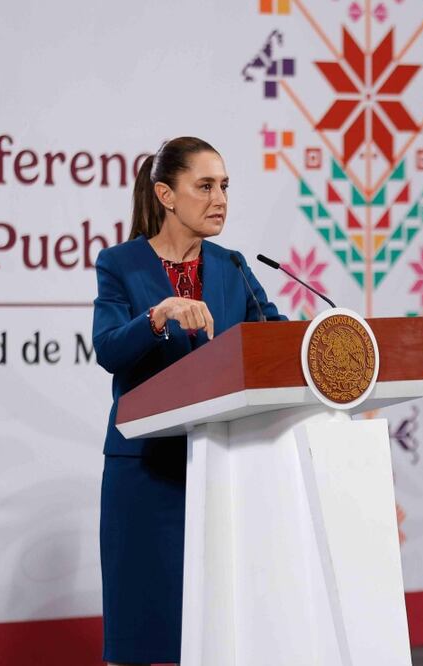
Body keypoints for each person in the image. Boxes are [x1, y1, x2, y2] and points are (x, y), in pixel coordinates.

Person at [93, 137, 283, 666]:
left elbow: (275, 338)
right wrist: (159, 314)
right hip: (145, 471)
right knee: (140, 631)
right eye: (204, 186)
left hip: (221, 470)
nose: (219, 197)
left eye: (224, 186)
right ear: (166, 194)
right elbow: (108, 348)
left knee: (215, 631)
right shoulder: (120, 263)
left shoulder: (234, 265)